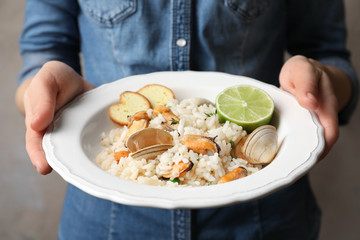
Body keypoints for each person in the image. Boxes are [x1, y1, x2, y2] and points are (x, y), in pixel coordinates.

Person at [15, 0, 358, 239]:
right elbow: (42, 54)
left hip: (264, 220)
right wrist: (43, 90)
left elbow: (331, 55)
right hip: (107, 224)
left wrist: (320, 80)